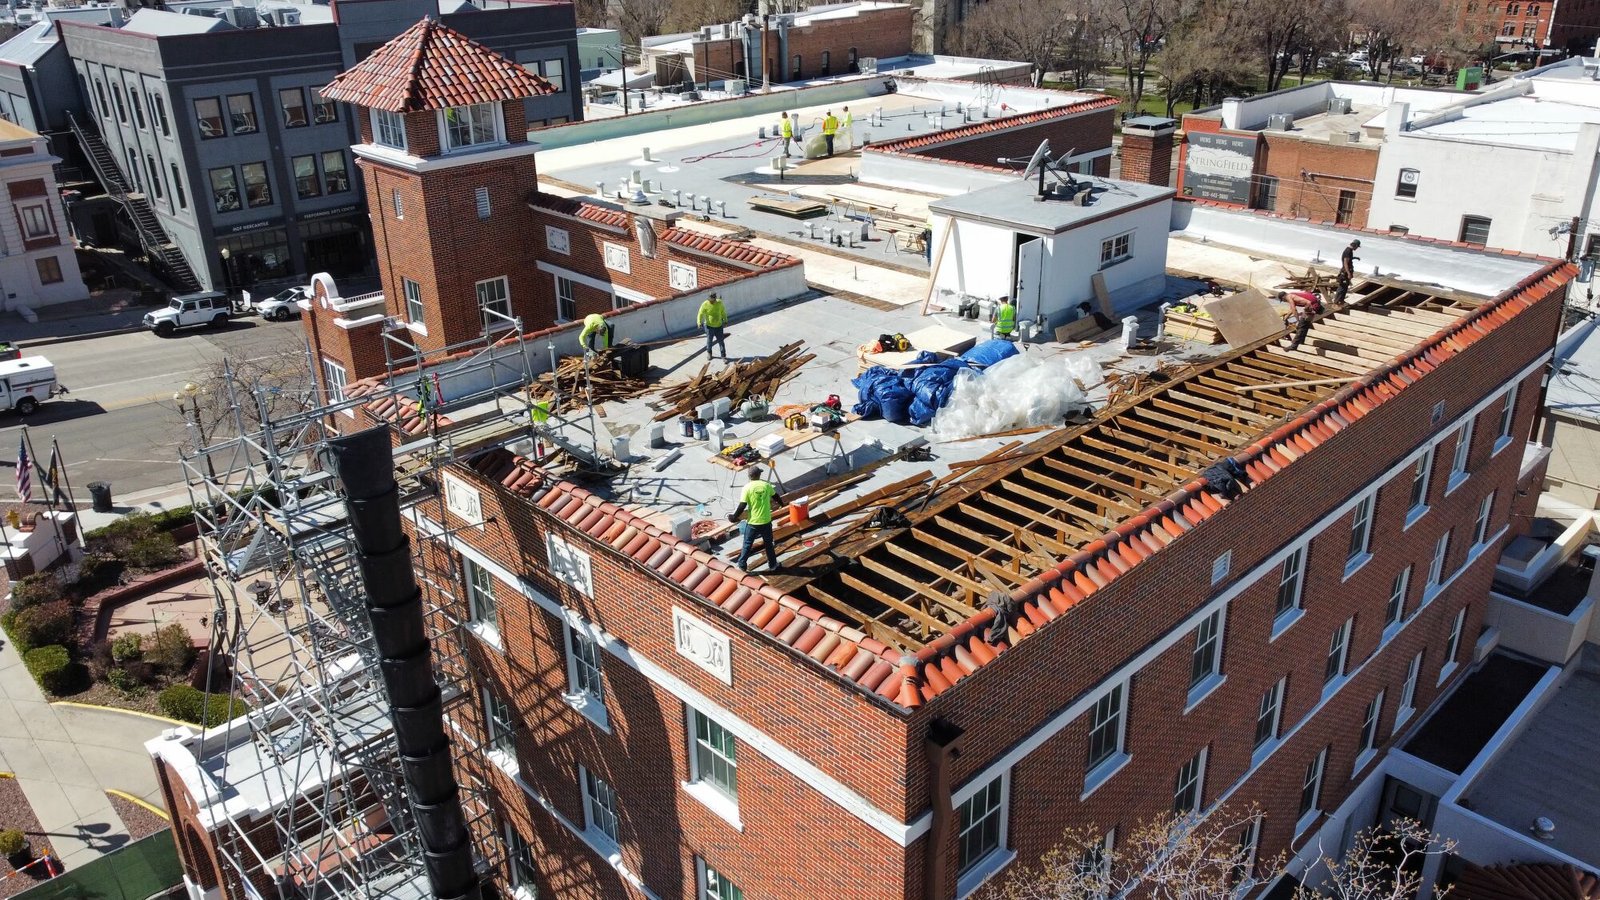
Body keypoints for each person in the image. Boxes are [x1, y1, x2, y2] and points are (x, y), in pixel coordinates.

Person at [729, 467, 780, 571]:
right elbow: (776, 496)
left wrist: (734, 517)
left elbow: (742, 505)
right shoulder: (766, 485)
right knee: (769, 544)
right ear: (759, 475)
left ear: (749, 476)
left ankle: (742, 566)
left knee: (747, 544)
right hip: (766, 521)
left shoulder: (747, 488)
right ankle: (773, 565)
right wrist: (782, 504)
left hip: (753, 523)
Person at [697, 292, 728, 359]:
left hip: (719, 326)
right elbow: (700, 314)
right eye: (709, 299)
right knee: (709, 341)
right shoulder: (705, 304)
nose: (710, 301)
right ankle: (709, 353)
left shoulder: (719, 303)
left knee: (721, 341)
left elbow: (723, 312)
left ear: (714, 298)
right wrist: (699, 322)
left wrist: (725, 321)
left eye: (711, 299)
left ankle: (723, 356)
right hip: (709, 327)